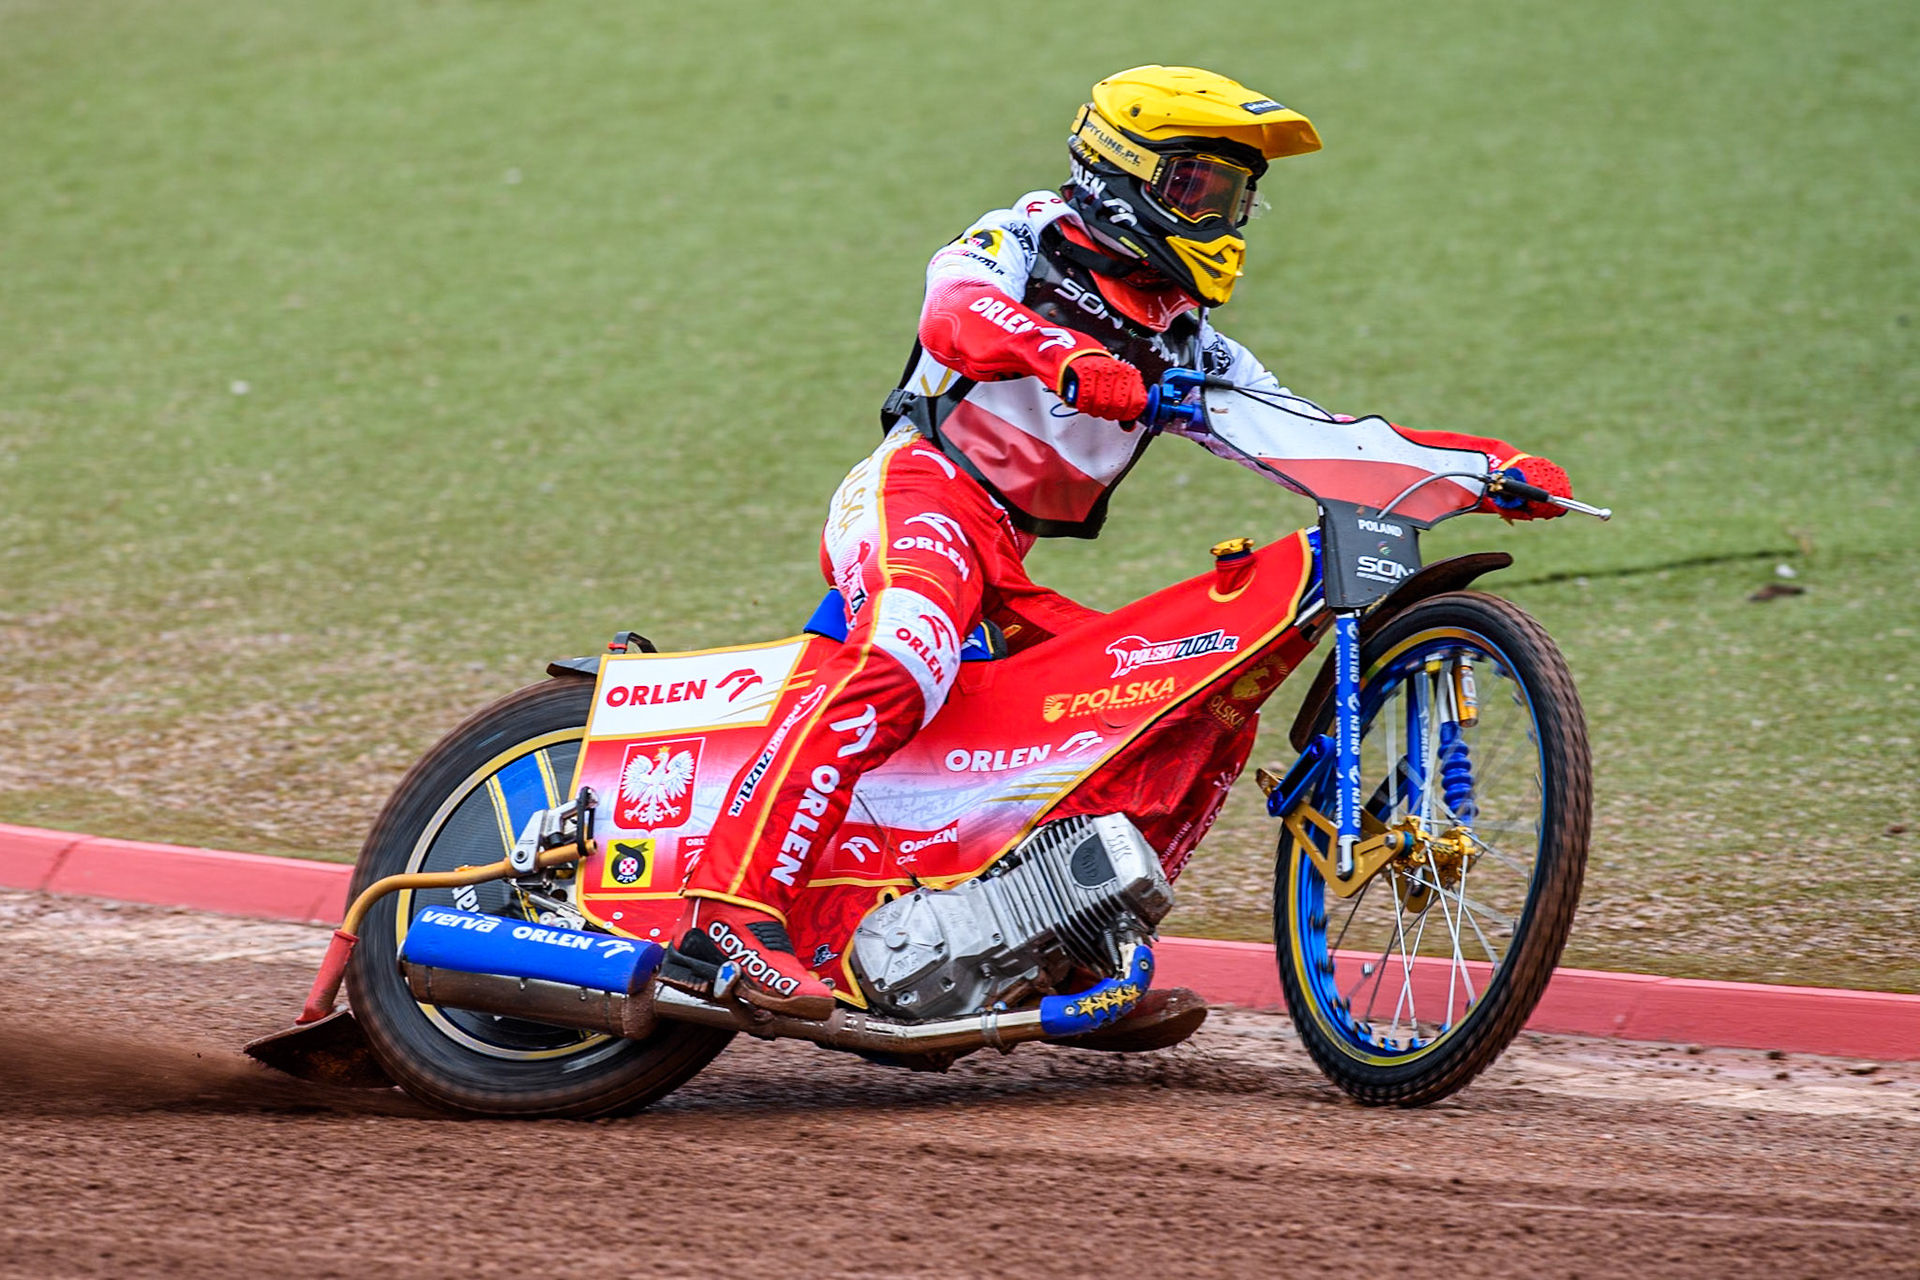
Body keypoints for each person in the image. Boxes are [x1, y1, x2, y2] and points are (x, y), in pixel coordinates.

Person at [663, 65, 1574, 1019]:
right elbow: (954, 312)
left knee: (1181, 704)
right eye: (1196, 188)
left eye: (1234, 196)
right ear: (1120, 175)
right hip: (919, 492)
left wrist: (1486, 469)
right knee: (908, 655)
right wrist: (1064, 354)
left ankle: (1063, 949)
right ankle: (723, 919)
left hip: (1004, 565)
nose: (1219, 217)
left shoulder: (1192, 343)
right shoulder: (1022, 237)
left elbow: (1321, 442)